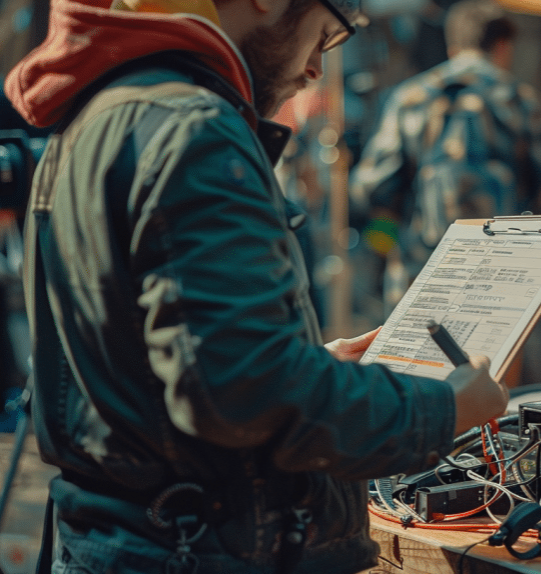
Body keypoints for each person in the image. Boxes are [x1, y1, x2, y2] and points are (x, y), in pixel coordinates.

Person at [3, 0, 509, 572]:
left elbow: (157, 372)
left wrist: (303, 359)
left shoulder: (95, 113)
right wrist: (444, 408)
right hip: (195, 552)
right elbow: (245, 395)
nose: (316, 67)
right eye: (324, 36)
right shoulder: (194, 127)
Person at [349, 0, 541, 312]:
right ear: (502, 46)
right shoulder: (521, 100)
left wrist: (391, 246)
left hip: (422, 274)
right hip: (502, 278)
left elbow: (372, 188)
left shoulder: (410, 97)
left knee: (418, 360)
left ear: (453, 46)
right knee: (495, 360)